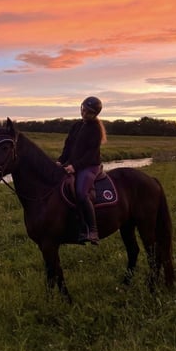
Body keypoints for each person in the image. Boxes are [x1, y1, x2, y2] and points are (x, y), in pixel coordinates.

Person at [56, 96, 107, 245]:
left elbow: (91, 153)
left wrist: (75, 166)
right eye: (83, 110)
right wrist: (61, 161)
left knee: (81, 193)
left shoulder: (96, 129)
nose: (84, 114)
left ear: (95, 114)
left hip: (90, 166)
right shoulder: (76, 126)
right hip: (72, 164)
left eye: (89, 112)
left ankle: (92, 230)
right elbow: (68, 146)